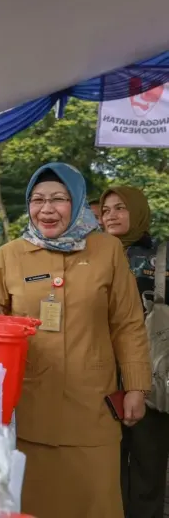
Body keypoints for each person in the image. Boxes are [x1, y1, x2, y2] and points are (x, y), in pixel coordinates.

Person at [0, 163, 151, 518]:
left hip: (92, 407)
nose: (47, 209)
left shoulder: (107, 250)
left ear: (77, 203)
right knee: (30, 503)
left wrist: (136, 387)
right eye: (37, 200)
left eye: (58, 199)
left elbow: (128, 323)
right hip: (28, 406)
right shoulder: (10, 254)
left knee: (94, 502)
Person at [101, 186, 169, 518]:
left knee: (148, 468)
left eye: (120, 208)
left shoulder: (163, 257)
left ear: (139, 211)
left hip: (151, 378)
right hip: (100, 376)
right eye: (106, 210)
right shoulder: (90, 256)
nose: (111, 215)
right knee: (103, 467)